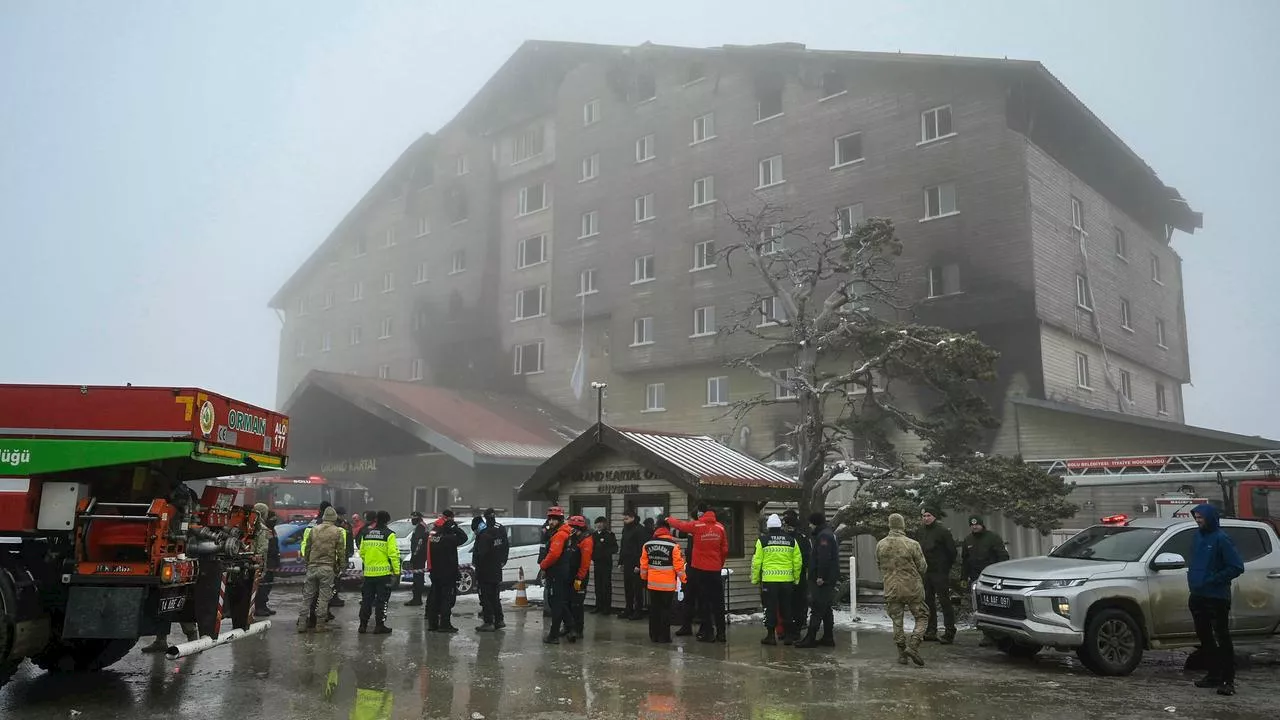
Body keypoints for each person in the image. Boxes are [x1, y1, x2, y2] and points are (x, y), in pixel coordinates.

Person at [1187, 503, 1244, 696]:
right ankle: (1213, 675)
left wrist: (1212, 579)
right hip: (1198, 595)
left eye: (1201, 517)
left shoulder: (1221, 538)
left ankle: (1228, 680)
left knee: (1222, 637)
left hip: (1217, 597)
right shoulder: (1197, 537)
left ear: (1210, 518)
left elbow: (1236, 566)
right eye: (1196, 517)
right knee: (1205, 638)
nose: (1198, 520)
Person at [667, 503, 729, 642]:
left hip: (700, 569)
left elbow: (680, 526)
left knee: (704, 602)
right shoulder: (720, 527)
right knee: (718, 603)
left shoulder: (697, 526)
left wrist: (668, 519)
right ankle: (721, 633)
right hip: (715, 571)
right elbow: (724, 550)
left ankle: (708, 633)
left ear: (701, 514)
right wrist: (719, 564)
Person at [878, 512, 928, 666]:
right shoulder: (912, 544)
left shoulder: (881, 544)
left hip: (891, 587)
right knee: (922, 616)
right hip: (912, 588)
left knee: (897, 621)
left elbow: (879, 565)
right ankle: (913, 645)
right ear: (903, 525)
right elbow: (923, 567)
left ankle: (901, 654)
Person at [752, 513, 802, 645]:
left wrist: (755, 579)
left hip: (770, 581)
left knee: (771, 608)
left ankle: (770, 636)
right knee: (787, 608)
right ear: (780, 526)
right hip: (787, 581)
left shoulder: (762, 541)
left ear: (768, 527)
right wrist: (796, 579)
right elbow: (798, 562)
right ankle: (788, 637)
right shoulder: (791, 540)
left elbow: (757, 562)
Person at [961, 516, 1009, 646]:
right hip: (976, 579)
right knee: (980, 607)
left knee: (995, 607)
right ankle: (987, 635)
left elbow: (1003, 557)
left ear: (982, 525)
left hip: (992, 579)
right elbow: (965, 561)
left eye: (977, 525)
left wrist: (1001, 575)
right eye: (972, 525)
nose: (974, 527)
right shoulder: (968, 540)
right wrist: (963, 578)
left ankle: (1001, 635)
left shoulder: (992, 538)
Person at [297, 506, 345, 633]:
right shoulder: (338, 531)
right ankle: (320, 625)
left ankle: (301, 624)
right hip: (327, 567)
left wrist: (307, 562)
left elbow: (307, 548)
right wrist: (341, 566)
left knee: (307, 597)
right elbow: (340, 551)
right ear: (334, 518)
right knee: (323, 598)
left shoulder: (314, 530)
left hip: (312, 567)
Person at [640, 518, 686, 644]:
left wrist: (643, 579)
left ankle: (653, 635)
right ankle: (664, 637)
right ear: (668, 530)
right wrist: (684, 580)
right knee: (665, 610)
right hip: (668, 586)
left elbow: (644, 565)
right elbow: (679, 566)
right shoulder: (673, 546)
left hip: (652, 584)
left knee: (654, 609)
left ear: (657, 529)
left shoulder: (647, 544)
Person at [796, 512, 838, 648]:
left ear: (815, 523)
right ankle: (828, 637)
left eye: (810, 523)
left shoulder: (823, 536)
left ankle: (810, 638)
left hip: (823, 579)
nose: (809, 526)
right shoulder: (827, 533)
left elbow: (824, 557)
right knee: (825, 608)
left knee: (817, 607)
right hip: (828, 578)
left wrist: (820, 576)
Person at [917, 508, 957, 644]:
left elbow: (952, 552)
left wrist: (945, 567)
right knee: (928, 602)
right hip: (926, 572)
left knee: (944, 601)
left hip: (940, 572)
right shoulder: (921, 531)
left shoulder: (942, 532)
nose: (926, 518)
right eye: (923, 516)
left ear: (934, 517)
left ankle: (949, 631)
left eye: (928, 515)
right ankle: (931, 630)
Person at [357, 510, 400, 634]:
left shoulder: (366, 533)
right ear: (387, 521)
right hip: (383, 574)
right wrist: (396, 572)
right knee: (382, 601)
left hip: (369, 574)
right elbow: (393, 555)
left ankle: (363, 625)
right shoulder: (389, 534)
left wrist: (369, 564)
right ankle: (379, 625)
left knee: (366, 600)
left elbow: (362, 553)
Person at [425, 510, 468, 633]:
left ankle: (432, 624)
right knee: (447, 599)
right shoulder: (449, 536)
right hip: (447, 572)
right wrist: (455, 527)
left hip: (435, 570)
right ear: (450, 519)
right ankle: (445, 624)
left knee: (435, 597)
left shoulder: (434, 532)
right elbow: (463, 538)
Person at [538, 506, 576, 644]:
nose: (551, 522)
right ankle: (571, 627)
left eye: (554, 519)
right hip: (560, 571)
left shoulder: (560, 535)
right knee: (558, 602)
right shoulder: (562, 533)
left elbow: (554, 555)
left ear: (560, 520)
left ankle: (553, 635)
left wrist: (543, 565)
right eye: (550, 519)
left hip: (557, 572)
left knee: (556, 604)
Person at [471, 508, 509, 632]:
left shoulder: (484, 536)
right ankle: (499, 620)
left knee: (486, 597)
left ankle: (489, 622)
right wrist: (502, 561)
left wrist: (476, 565)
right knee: (495, 597)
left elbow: (481, 554)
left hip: (485, 572)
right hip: (496, 569)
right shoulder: (496, 532)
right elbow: (504, 547)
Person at [782, 510, 811, 640]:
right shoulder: (803, 538)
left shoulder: (783, 539)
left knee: (788, 604)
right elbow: (807, 558)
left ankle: (789, 631)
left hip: (786, 577)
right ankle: (796, 630)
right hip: (798, 577)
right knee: (798, 604)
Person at [567, 515, 594, 638]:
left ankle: (578, 629)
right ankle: (568, 627)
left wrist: (580, 578)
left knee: (577, 603)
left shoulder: (586, 540)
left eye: (572, 527)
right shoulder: (573, 538)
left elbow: (585, 562)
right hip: (570, 573)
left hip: (579, 576)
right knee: (568, 601)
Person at [617, 509, 646, 620]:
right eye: (623, 519)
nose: (625, 521)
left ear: (633, 517)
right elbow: (623, 546)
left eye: (626, 518)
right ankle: (628, 608)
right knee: (628, 587)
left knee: (637, 589)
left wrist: (639, 565)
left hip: (636, 564)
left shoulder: (640, 530)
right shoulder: (625, 530)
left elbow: (642, 549)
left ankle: (638, 611)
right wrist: (621, 562)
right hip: (627, 562)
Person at [589, 516, 617, 615]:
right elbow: (590, 548)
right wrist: (593, 556)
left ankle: (606, 608)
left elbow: (615, 548)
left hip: (606, 564)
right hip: (597, 563)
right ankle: (598, 606)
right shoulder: (594, 535)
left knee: (606, 586)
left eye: (601, 523)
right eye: (597, 523)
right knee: (598, 586)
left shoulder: (609, 535)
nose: (599, 525)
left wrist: (605, 552)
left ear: (605, 524)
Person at [256, 511, 281, 616]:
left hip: (272, 562)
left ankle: (264, 605)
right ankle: (259, 607)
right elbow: (265, 548)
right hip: (266, 562)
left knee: (268, 586)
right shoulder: (264, 530)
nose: (274, 520)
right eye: (272, 518)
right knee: (263, 586)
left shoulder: (272, 530)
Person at [405, 511, 428, 606]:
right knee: (418, 577)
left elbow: (419, 543)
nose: (411, 520)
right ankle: (416, 598)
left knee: (418, 578)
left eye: (413, 519)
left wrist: (414, 556)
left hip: (419, 556)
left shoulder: (420, 527)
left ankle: (417, 599)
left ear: (417, 518)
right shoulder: (422, 526)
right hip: (421, 556)